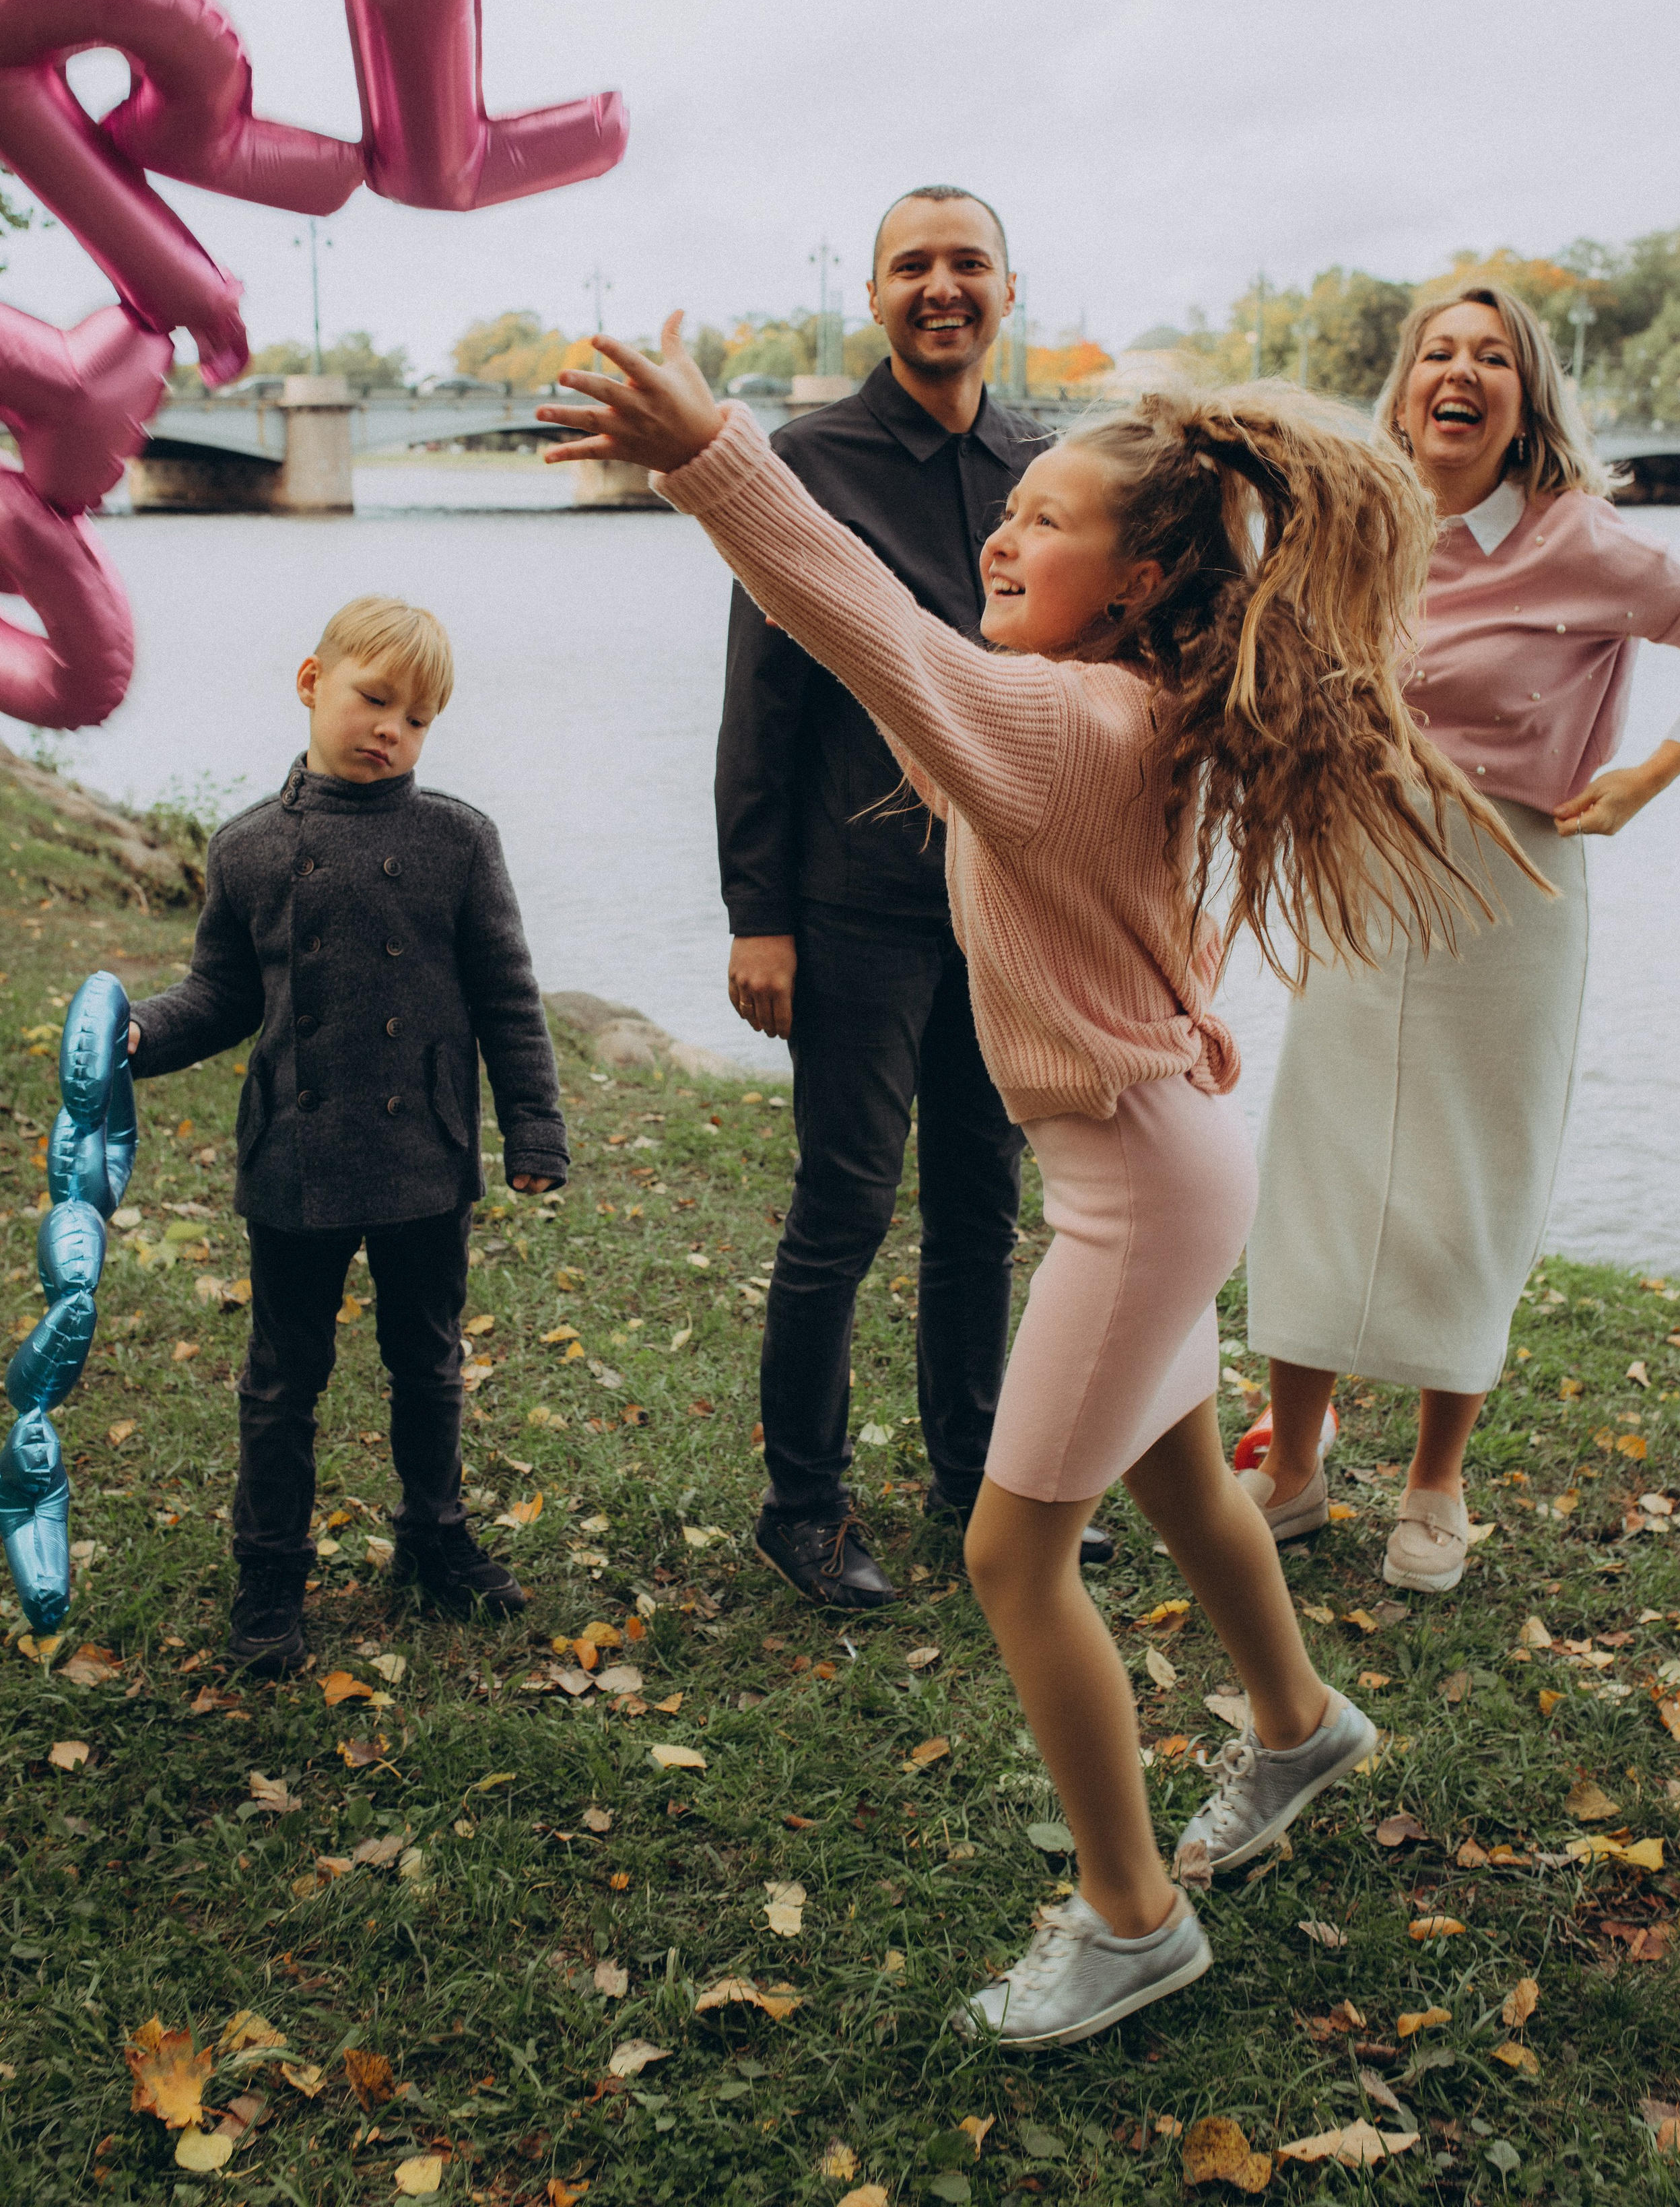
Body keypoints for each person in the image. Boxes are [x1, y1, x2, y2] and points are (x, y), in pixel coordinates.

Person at [541, 317, 1531, 2047]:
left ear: (1141, 576)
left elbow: (856, 618)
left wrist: (709, 451)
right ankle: (1296, 1724)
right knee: (1176, 1483)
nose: (999, 537)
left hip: (1135, 1185)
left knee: (1012, 1558)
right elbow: (909, 668)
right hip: (1156, 1155)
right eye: (1007, 515)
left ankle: (1130, 1917)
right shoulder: (1127, 705)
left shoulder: (1066, 720)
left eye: (1045, 523)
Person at [1243, 286, 1680, 1592]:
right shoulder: (1356, 526)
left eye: (1491, 356)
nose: (1458, 372)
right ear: (1401, 391)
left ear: (1523, 404)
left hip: (1506, 886)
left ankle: (1433, 1483)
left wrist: (1651, 774)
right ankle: (1291, 1469)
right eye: (1435, 354)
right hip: (1359, 873)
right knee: (1318, 1159)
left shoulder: (1579, 539)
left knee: (1472, 1175)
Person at [718, 185, 1106, 1608]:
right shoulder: (805, 463)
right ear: (872, 298)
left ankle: (975, 1477)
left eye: (965, 265)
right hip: (854, 900)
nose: (939, 288)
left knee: (980, 1202)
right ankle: (803, 1508)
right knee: (842, 1201)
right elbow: (760, 706)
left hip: (1004, 900)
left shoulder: (1046, 468)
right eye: (910, 267)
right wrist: (756, 912)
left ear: (1008, 289)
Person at [127, 595, 569, 1674]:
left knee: (427, 1363)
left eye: (418, 720)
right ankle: (270, 1580)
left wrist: (533, 1125)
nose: (391, 731)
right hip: (296, 1159)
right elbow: (222, 996)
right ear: (311, 680)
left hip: (422, 1151)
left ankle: (434, 1538)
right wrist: (137, 1035)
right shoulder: (247, 851)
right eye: (375, 700)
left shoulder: (458, 840)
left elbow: (507, 994)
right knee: (284, 1378)